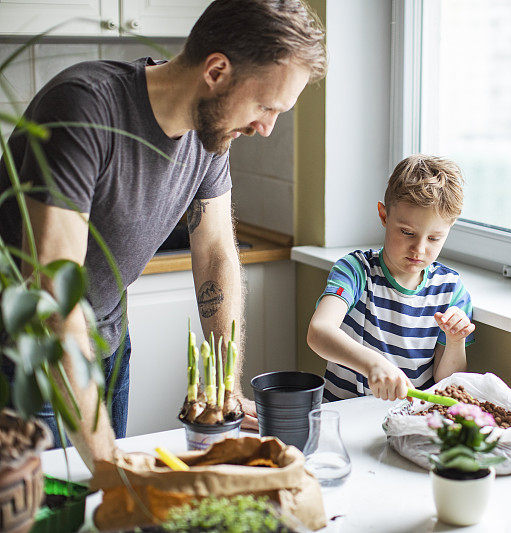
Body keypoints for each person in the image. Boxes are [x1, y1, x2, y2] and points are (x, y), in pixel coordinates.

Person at [0, 0, 326, 472]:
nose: (266, 127)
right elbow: (52, 295)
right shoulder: (83, 106)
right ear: (216, 71)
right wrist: (108, 461)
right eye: (265, 106)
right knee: (51, 509)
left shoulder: (212, 132)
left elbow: (215, 253)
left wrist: (223, 387)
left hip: (109, 340)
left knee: (106, 508)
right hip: (29, 353)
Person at [306, 155, 476, 402]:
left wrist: (454, 341)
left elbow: (447, 381)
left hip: (410, 419)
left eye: (434, 238)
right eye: (407, 232)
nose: (418, 249)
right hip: (345, 414)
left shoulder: (451, 291)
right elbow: (319, 332)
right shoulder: (356, 271)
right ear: (384, 216)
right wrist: (372, 364)